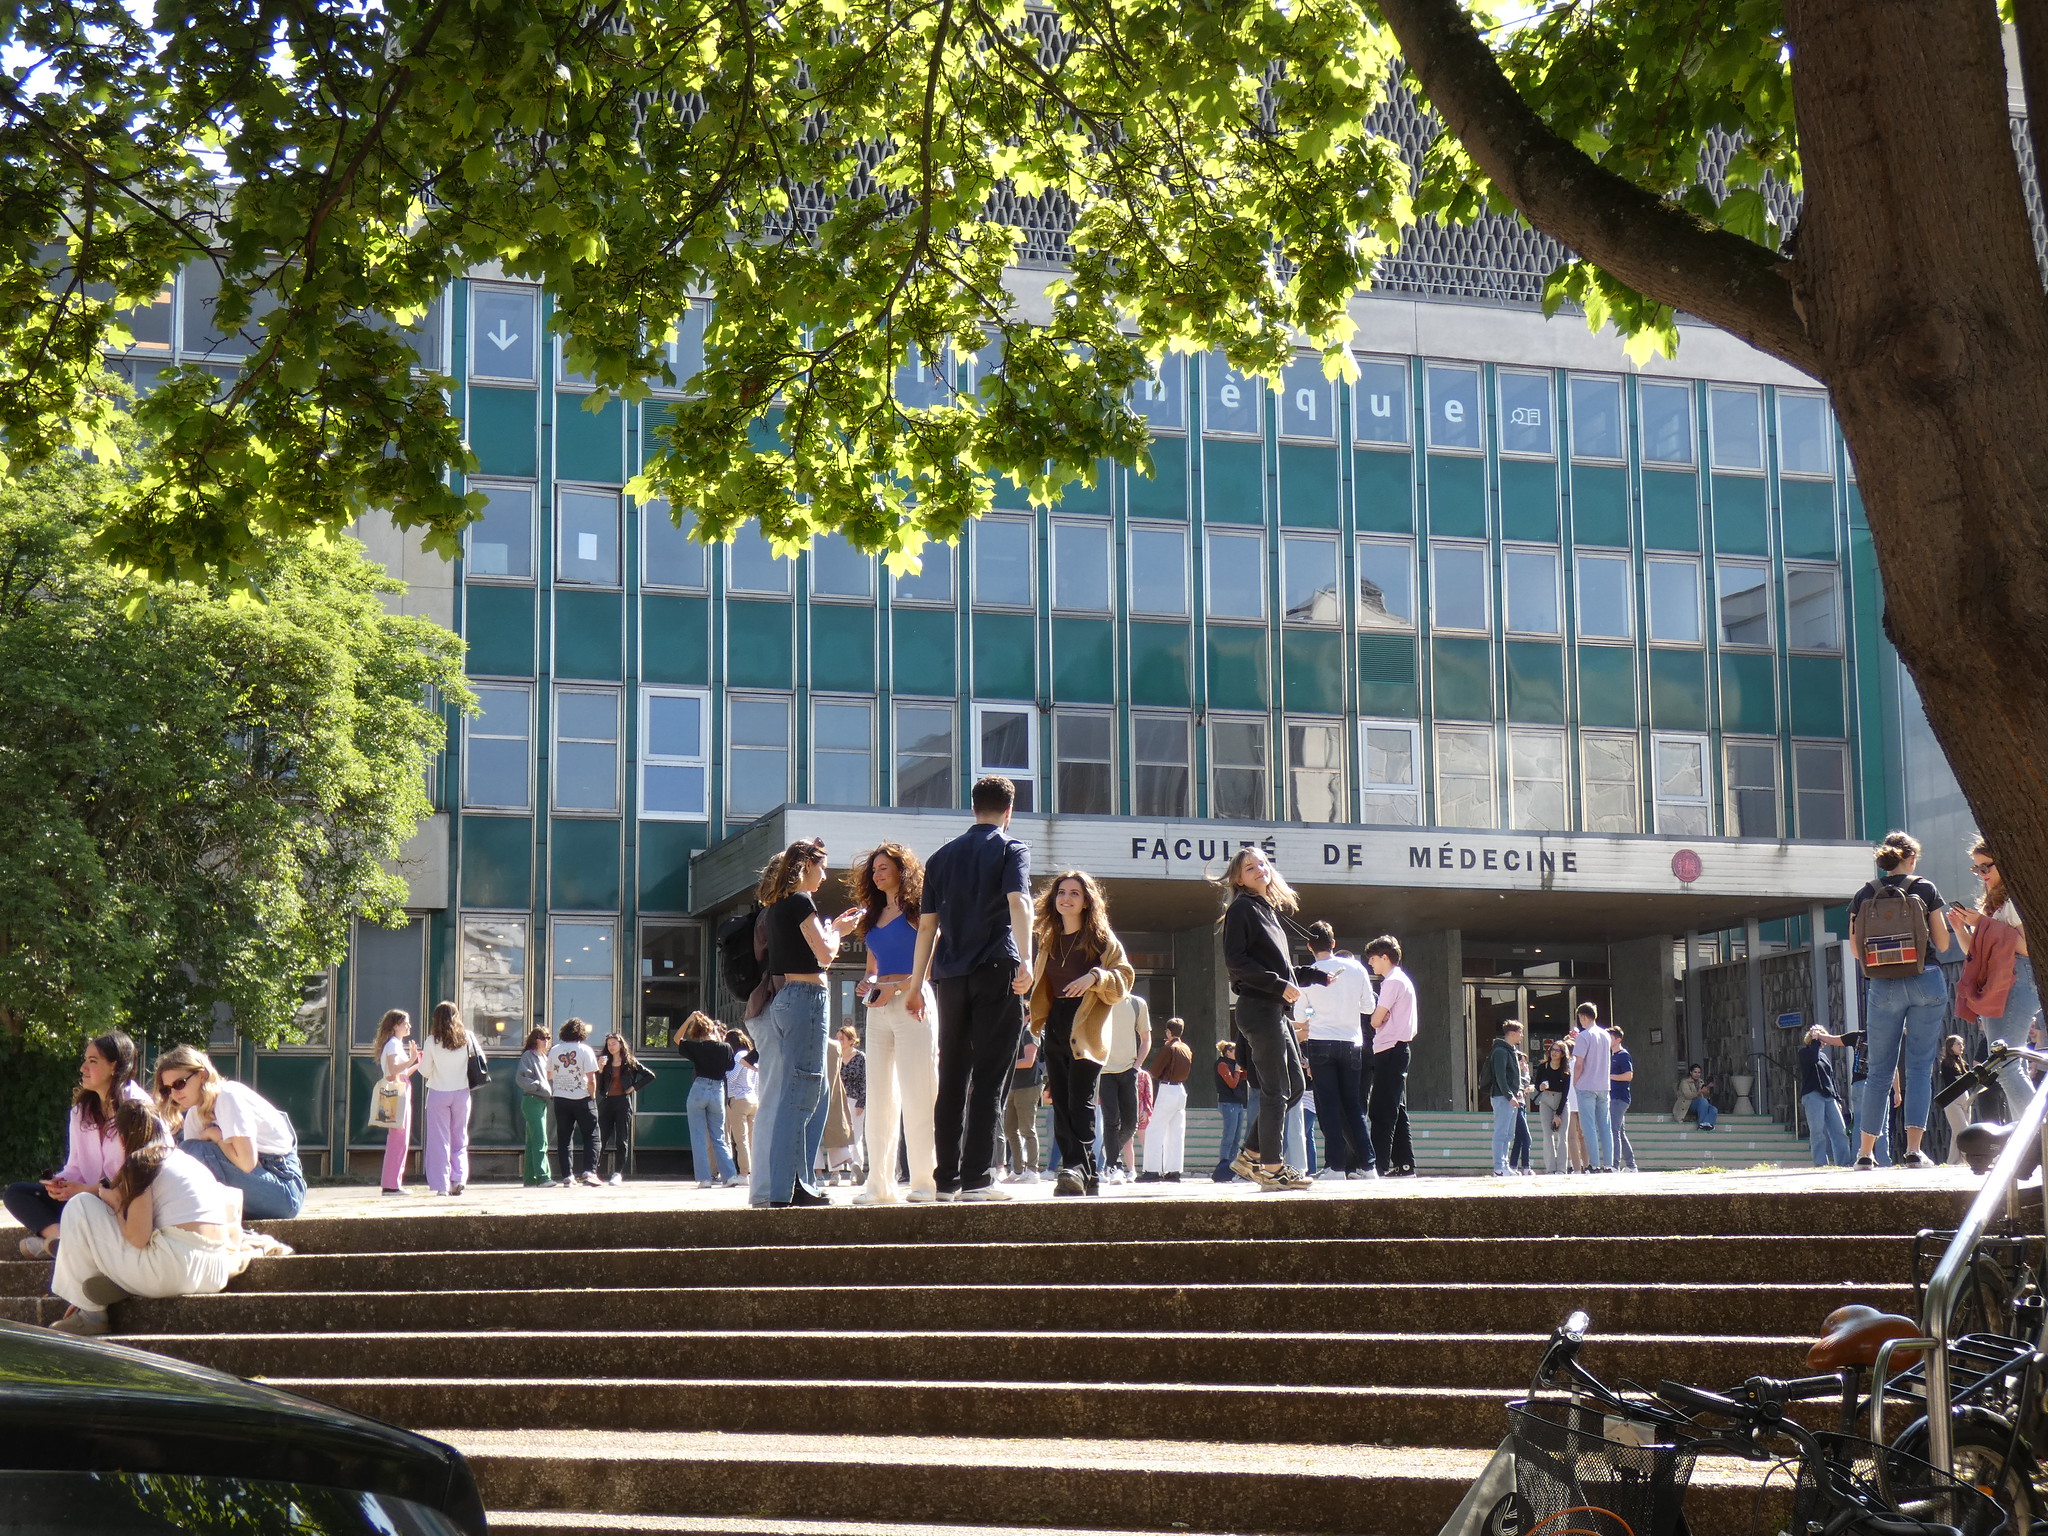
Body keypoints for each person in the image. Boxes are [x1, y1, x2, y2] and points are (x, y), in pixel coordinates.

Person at [904, 777, 1034, 1203]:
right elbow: (1019, 902)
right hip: (997, 966)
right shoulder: (1012, 848)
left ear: (973, 807)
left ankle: (945, 1181)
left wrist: (916, 984)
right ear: (1009, 811)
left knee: (953, 1076)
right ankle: (978, 1178)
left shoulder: (940, 857)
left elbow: (927, 926)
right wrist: (1028, 960)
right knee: (991, 1075)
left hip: (950, 976)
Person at [46, 1102, 243, 1336]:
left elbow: (137, 1238)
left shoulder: (142, 1162)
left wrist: (116, 1204)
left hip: (174, 1270)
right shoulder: (189, 1162)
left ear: (121, 1137)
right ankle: (121, 1279)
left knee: (80, 1206)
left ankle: (90, 1314)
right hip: (214, 1271)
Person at [750, 837, 862, 1208]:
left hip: (788, 1000)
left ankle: (795, 1184)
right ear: (806, 866)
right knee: (801, 1096)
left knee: (805, 1093)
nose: (824, 876)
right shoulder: (800, 901)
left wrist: (832, 929)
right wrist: (839, 932)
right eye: (822, 868)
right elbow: (825, 955)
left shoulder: (778, 906)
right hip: (807, 999)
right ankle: (789, 1188)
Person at [1218, 846, 1327, 1192]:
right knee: (1276, 1089)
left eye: (1262, 864)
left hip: (1273, 1009)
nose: (1259, 869)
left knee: (1294, 1087)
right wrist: (1279, 985)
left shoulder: (1265, 909)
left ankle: (1251, 1154)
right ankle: (1271, 1167)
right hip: (1259, 1008)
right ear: (1239, 879)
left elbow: (1280, 969)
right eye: (1250, 867)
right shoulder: (1242, 909)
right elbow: (1236, 963)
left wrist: (1315, 976)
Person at [1847, 831, 1954, 1170]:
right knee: (1919, 1068)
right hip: (1926, 979)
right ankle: (1913, 1151)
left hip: (1883, 984)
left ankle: (1865, 1154)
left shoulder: (1865, 893)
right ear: (1912, 858)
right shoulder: (1926, 889)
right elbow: (1943, 943)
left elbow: (1856, 950)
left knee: (1879, 1071)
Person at [1025, 869, 1135, 1197]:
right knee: (1060, 1101)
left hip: (1087, 1025)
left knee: (1080, 1101)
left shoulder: (1100, 939)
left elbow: (1124, 978)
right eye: (1061, 892)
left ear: (1087, 901)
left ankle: (1073, 1167)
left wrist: (1096, 977)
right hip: (1056, 1023)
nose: (1066, 898)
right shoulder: (1048, 938)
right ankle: (1086, 1173)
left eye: (1074, 893)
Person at [6, 1031, 153, 1260]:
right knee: (17, 1193)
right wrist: (60, 1184)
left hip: (124, 1203)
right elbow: (75, 1166)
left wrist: (86, 1190)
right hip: (86, 1201)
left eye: (92, 1061)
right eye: (84, 1060)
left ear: (114, 1066)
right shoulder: (81, 1111)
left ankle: (62, 1245)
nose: (83, 1068)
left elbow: (141, 1175)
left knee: (83, 1202)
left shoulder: (137, 1107)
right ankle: (60, 1239)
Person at [849, 842, 938, 1206]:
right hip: (879, 1008)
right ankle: (879, 1186)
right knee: (879, 1097)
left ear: (903, 870)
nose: (877, 874)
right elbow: (873, 967)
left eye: (884, 868)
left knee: (919, 1094)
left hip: (913, 1002)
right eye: (874, 870)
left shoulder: (919, 911)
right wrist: (868, 982)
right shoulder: (872, 916)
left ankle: (925, 1183)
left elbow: (929, 966)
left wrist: (897, 987)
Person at [151, 1045, 307, 1219]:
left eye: (179, 1084)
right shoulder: (195, 1114)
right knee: (186, 1156)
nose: (174, 1093)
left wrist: (216, 1137)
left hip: (285, 1192)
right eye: (167, 1089)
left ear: (202, 1075)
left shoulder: (227, 1096)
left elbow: (247, 1163)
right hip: (260, 1185)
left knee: (193, 1150)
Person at [1951, 836, 2037, 1120]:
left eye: (1986, 866)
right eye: (1977, 868)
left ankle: (2037, 1132)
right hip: (1999, 981)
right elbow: (1975, 952)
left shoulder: (2014, 900)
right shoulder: (1992, 904)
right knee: (2004, 1064)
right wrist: (1960, 928)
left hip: (2018, 977)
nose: (1982, 873)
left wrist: (1983, 924)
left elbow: (2027, 948)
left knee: (2006, 1063)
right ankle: (2031, 1133)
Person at [1295, 922, 1377, 1181]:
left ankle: (1336, 1166)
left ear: (1309, 946)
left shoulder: (1309, 974)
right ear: (1333, 942)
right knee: (1353, 1105)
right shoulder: (1357, 968)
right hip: (1351, 1042)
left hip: (1320, 1042)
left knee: (1328, 1105)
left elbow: (1300, 1015)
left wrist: (1315, 1012)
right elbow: (1368, 1007)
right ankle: (1369, 1165)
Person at [1363, 936, 1417, 1177]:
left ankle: (1378, 1165)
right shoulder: (1403, 980)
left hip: (1390, 1049)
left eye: (1373, 959)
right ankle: (1405, 1164)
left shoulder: (1392, 982)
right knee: (1397, 1109)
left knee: (1381, 1109)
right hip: (1398, 1048)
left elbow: (1375, 1020)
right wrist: (1381, 1016)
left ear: (1385, 957)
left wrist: (1378, 1016)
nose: (1370, 964)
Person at [418, 1001, 478, 1197]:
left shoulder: (432, 1041)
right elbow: (479, 1061)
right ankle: (458, 1179)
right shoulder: (467, 1037)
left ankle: (442, 1185)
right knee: (459, 1138)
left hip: (438, 1091)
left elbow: (425, 1071)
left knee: (439, 1141)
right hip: (461, 1092)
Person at [1097, 993, 1151, 1183]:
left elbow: (1146, 1039)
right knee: (1111, 1120)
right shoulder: (1099, 999)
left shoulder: (1137, 1003)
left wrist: (1136, 1067)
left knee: (1131, 1123)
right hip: (1105, 1071)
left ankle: (1111, 1148)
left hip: (1129, 1070)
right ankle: (1114, 1166)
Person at [548, 1018, 602, 1188]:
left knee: (564, 1137)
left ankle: (567, 1176)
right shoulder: (585, 1050)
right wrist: (592, 1096)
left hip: (560, 1097)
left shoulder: (554, 1050)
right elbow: (591, 1079)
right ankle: (589, 1172)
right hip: (582, 1097)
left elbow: (549, 1075)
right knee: (592, 1135)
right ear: (582, 1033)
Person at [596, 1030, 656, 1183]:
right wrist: (600, 1069)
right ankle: (594, 1171)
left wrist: (633, 1087)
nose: (611, 1047)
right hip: (607, 1102)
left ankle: (617, 1172)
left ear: (621, 1045)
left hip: (622, 1102)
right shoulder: (605, 1062)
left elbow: (650, 1076)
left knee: (621, 1138)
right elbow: (599, 1085)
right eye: (608, 1044)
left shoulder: (629, 1062)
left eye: (614, 1044)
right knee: (601, 1137)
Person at [371, 1009, 420, 1194]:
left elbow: (402, 1071)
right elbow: (393, 1070)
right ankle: (391, 1184)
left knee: (400, 1137)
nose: (409, 1026)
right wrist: (412, 1060)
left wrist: (417, 1063)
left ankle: (393, 1182)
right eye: (405, 1023)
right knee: (398, 1137)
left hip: (400, 1087)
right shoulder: (393, 1044)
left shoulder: (395, 1044)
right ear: (395, 1025)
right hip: (397, 1089)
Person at [1139, 1018, 1194, 1182]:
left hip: (1167, 1089)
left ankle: (1152, 1170)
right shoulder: (1186, 1048)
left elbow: (1155, 1071)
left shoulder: (1169, 1048)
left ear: (1169, 1032)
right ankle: (1174, 1171)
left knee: (1154, 1130)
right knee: (1176, 1131)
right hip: (1180, 1090)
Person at [1800, 1024, 1855, 1167]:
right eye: (1820, 1036)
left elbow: (1830, 1078)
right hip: (1812, 1094)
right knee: (1817, 1131)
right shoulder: (1804, 1053)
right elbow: (1813, 1059)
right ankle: (1820, 1163)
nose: (1823, 1040)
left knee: (1840, 1130)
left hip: (1829, 1096)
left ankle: (1844, 1162)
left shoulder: (1824, 1056)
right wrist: (1815, 1041)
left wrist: (1838, 1099)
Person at [1569, 1004, 1613, 1173]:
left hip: (1586, 1086)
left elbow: (1579, 1064)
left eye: (1580, 1017)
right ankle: (1608, 1164)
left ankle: (1594, 1164)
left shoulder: (1584, 1036)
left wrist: (1575, 1081)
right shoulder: (1606, 1035)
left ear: (1583, 1016)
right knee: (1605, 1126)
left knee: (1589, 1127)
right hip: (1604, 1086)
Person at [1003, 1033, 1044, 1185]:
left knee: (1027, 1130)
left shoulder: (1030, 1032)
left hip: (1028, 1087)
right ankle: (1018, 1170)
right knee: (1009, 1129)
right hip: (1013, 1086)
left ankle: (1032, 1171)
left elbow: (1028, 1061)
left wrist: (1005, 1063)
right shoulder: (1016, 1031)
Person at [817, 1032, 858, 1185]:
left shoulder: (809, 1043)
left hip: (814, 1092)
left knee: (812, 1137)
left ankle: (819, 1175)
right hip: (834, 1093)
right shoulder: (835, 1047)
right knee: (836, 1135)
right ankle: (850, 1163)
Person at [516, 1026, 554, 1186]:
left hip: (541, 1101)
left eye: (548, 1038)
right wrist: (538, 1085)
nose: (546, 1041)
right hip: (532, 1100)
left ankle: (530, 1179)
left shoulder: (544, 1058)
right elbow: (521, 1078)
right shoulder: (528, 1055)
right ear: (535, 1040)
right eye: (543, 1038)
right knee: (540, 1139)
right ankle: (543, 1177)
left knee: (532, 1141)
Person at [1487, 1020, 1525, 1176]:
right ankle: (1498, 1167)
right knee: (1501, 1132)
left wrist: (1519, 1090)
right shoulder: (1500, 1051)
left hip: (1511, 1097)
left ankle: (1504, 1165)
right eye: (1520, 1032)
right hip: (1502, 1097)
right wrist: (1509, 1095)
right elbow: (1500, 1077)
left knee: (1509, 1134)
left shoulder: (1511, 1050)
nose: (1522, 1036)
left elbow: (1513, 1075)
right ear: (1512, 1033)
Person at [834, 1024, 867, 1184]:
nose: (839, 1041)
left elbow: (865, 1081)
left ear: (851, 1040)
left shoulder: (860, 1058)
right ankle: (836, 1172)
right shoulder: (836, 1056)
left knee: (856, 1136)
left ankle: (856, 1170)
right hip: (838, 1100)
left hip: (855, 1100)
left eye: (842, 1038)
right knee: (837, 1136)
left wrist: (862, 1102)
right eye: (838, 1038)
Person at [725, 1029, 760, 1177]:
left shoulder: (739, 1056)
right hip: (753, 1099)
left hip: (739, 1100)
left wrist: (724, 1071)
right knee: (751, 1140)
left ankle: (744, 1172)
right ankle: (754, 1172)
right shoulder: (753, 1057)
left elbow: (732, 1077)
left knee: (741, 1140)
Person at [1212, 1040, 1249, 1181]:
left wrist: (1242, 1069)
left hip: (1238, 1103)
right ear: (1227, 1052)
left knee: (1236, 1138)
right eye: (1235, 1051)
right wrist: (1237, 1071)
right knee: (1229, 1136)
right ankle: (1223, 1166)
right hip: (1228, 1103)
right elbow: (1232, 1083)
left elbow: (1245, 1077)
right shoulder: (1222, 1064)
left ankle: (1233, 1167)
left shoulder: (1235, 1065)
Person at [1534, 1039, 1570, 1175]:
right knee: (1547, 1134)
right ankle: (1550, 1168)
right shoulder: (1543, 1067)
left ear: (1562, 1054)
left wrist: (1558, 1114)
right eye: (1552, 1050)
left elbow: (1566, 1093)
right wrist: (1540, 1087)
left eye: (1557, 1050)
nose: (1554, 1053)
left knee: (1562, 1136)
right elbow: (1536, 1084)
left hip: (1561, 1101)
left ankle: (1561, 1169)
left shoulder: (1565, 1070)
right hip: (1546, 1100)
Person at [1607, 1025, 1636, 1173]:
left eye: (1610, 1037)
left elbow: (1628, 1075)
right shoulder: (1611, 1056)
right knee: (1620, 1132)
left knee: (1614, 1131)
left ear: (1618, 1039)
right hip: (1613, 1097)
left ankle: (1614, 1165)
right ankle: (1631, 1165)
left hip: (1620, 1098)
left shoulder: (1623, 1055)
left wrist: (1610, 1077)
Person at [1673, 1063, 1720, 1129]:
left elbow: (1705, 1097)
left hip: (1700, 1104)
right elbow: (1688, 1096)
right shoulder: (1685, 1082)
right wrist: (1700, 1091)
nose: (1697, 1074)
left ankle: (1707, 1124)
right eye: (1695, 1072)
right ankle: (1701, 1124)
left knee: (1714, 1109)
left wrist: (1707, 1089)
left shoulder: (1701, 1081)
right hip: (1687, 1105)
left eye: (1699, 1072)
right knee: (1703, 1101)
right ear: (1691, 1072)